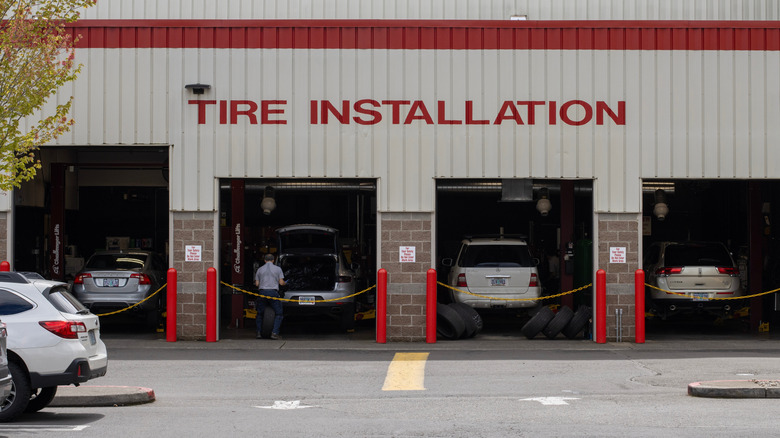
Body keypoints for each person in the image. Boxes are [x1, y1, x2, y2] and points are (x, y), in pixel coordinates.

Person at [254, 253, 286, 339]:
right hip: (273, 293)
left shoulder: (260, 269)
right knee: (279, 313)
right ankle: (274, 333)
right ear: (273, 260)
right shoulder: (278, 269)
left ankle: (258, 333)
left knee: (260, 313)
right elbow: (281, 282)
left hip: (262, 292)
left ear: (264, 260)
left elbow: (257, 284)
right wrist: (285, 283)